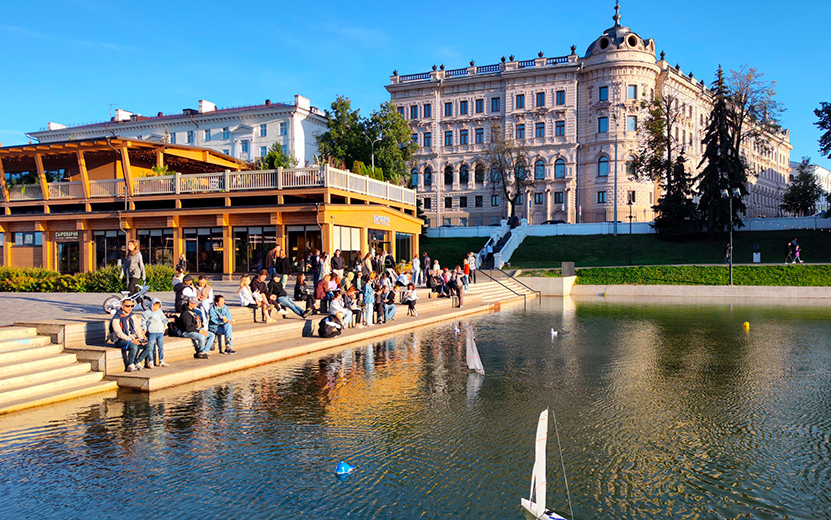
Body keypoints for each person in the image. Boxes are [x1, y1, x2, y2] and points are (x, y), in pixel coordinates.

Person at [110, 299, 151, 372]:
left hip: (131, 338)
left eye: (132, 306)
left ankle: (137, 362)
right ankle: (130, 364)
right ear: (122, 306)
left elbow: (136, 328)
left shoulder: (132, 315)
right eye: (127, 306)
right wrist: (131, 340)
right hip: (120, 340)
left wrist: (141, 339)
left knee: (149, 345)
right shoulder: (116, 318)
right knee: (134, 346)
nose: (130, 308)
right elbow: (119, 333)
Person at [141, 298, 171, 367]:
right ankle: (150, 361)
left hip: (160, 332)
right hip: (152, 332)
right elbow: (144, 321)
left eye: (157, 307)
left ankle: (161, 360)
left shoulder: (160, 312)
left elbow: (162, 320)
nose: (155, 308)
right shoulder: (147, 313)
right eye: (154, 306)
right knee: (151, 347)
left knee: (161, 347)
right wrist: (144, 328)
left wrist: (168, 320)